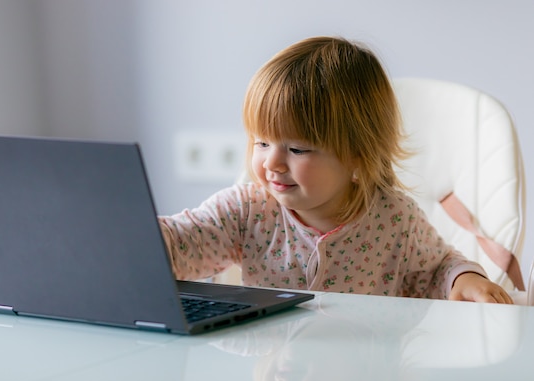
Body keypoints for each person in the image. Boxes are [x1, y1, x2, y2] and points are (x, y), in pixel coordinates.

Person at [158, 36, 513, 304]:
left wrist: (463, 279)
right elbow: (184, 241)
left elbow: (437, 268)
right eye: (261, 143)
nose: (271, 164)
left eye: (297, 149)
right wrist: (143, 237)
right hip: (278, 370)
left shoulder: (394, 219)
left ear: (357, 156)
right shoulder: (246, 209)